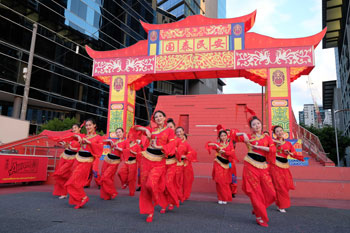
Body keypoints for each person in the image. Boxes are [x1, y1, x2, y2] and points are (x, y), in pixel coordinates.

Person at [232, 116, 276, 227]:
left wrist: (261, 148)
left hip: (263, 166)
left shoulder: (267, 137)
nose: (257, 126)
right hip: (250, 166)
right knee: (256, 193)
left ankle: (258, 209)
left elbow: (273, 149)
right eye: (254, 125)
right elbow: (230, 135)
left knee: (271, 193)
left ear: (261, 125)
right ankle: (260, 216)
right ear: (251, 127)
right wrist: (242, 134)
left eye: (258, 124)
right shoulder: (249, 137)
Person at [134, 110, 175, 223]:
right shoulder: (152, 130)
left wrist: (158, 147)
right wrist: (145, 129)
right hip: (146, 159)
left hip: (159, 162)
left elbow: (172, 144)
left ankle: (158, 199)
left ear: (165, 117)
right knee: (145, 187)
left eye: (160, 116)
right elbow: (135, 129)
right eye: (156, 117)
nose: (158, 118)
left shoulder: (170, 131)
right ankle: (149, 211)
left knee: (151, 184)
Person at [65, 119, 104, 209]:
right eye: (86, 125)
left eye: (90, 125)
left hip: (87, 162)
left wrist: (89, 142)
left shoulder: (97, 137)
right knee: (72, 182)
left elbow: (99, 148)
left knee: (74, 181)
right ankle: (81, 198)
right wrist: (69, 147)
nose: (88, 127)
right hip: (78, 160)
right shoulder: (84, 136)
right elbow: (79, 149)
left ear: (94, 125)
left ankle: (83, 197)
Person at [270, 125, 304, 213]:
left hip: (285, 167)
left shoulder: (288, 144)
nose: (280, 132)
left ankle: (279, 203)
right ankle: (281, 205)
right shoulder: (272, 142)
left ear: (283, 132)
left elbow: (294, 153)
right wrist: (275, 144)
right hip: (275, 166)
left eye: (281, 130)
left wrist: (289, 153)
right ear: (274, 134)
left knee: (285, 186)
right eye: (277, 131)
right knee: (279, 186)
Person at [207, 125, 236, 205]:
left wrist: (224, 152)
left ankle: (225, 197)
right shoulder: (217, 144)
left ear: (227, 136)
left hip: (226, 164)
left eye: (224, 135)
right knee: (219, 181)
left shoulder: (230, 144)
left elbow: (232, 154)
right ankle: (220, 197)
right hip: (218, 163)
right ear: (219, 137)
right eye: (221, 135)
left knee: (225, 181)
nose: (223, 137)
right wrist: (213, 145)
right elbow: (209, 146)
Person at [52, 124, 83, 199]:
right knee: (60, 174)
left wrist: (71, 147)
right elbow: (66, 146)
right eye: (73, 128)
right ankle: (63, 192)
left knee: (61, 174)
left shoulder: (81, 138)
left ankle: (68, 191)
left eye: (75, 127)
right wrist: (65, 146)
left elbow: (80, 149)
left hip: (71, 159)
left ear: (79, 129)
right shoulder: (69, 137)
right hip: (64, 157)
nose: (74, 129)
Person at [100, 128, 128, 200]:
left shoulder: (126, 141)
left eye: (119, 132)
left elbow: (127, 151)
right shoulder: (114, 141)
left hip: (115, 161)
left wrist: (119, 149)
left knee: (106, 177)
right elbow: (103, 141)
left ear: (123, 132)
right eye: (117, 132)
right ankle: (107, 195)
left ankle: (113, 192)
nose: (118, 134)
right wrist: (108, 140)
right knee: (105, 176)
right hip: (107, 159)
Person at [175, 128, 197, 202]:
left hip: (184, 164)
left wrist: (185, 156)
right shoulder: (173, 142)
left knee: (185, 181)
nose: (178, 133)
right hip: (175, 164)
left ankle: (183, 196)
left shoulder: (186, 144)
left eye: (180, 131)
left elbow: (192, 152)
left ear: (183, 132)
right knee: (176, 181)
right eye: (177, 132)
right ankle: (177, 195)